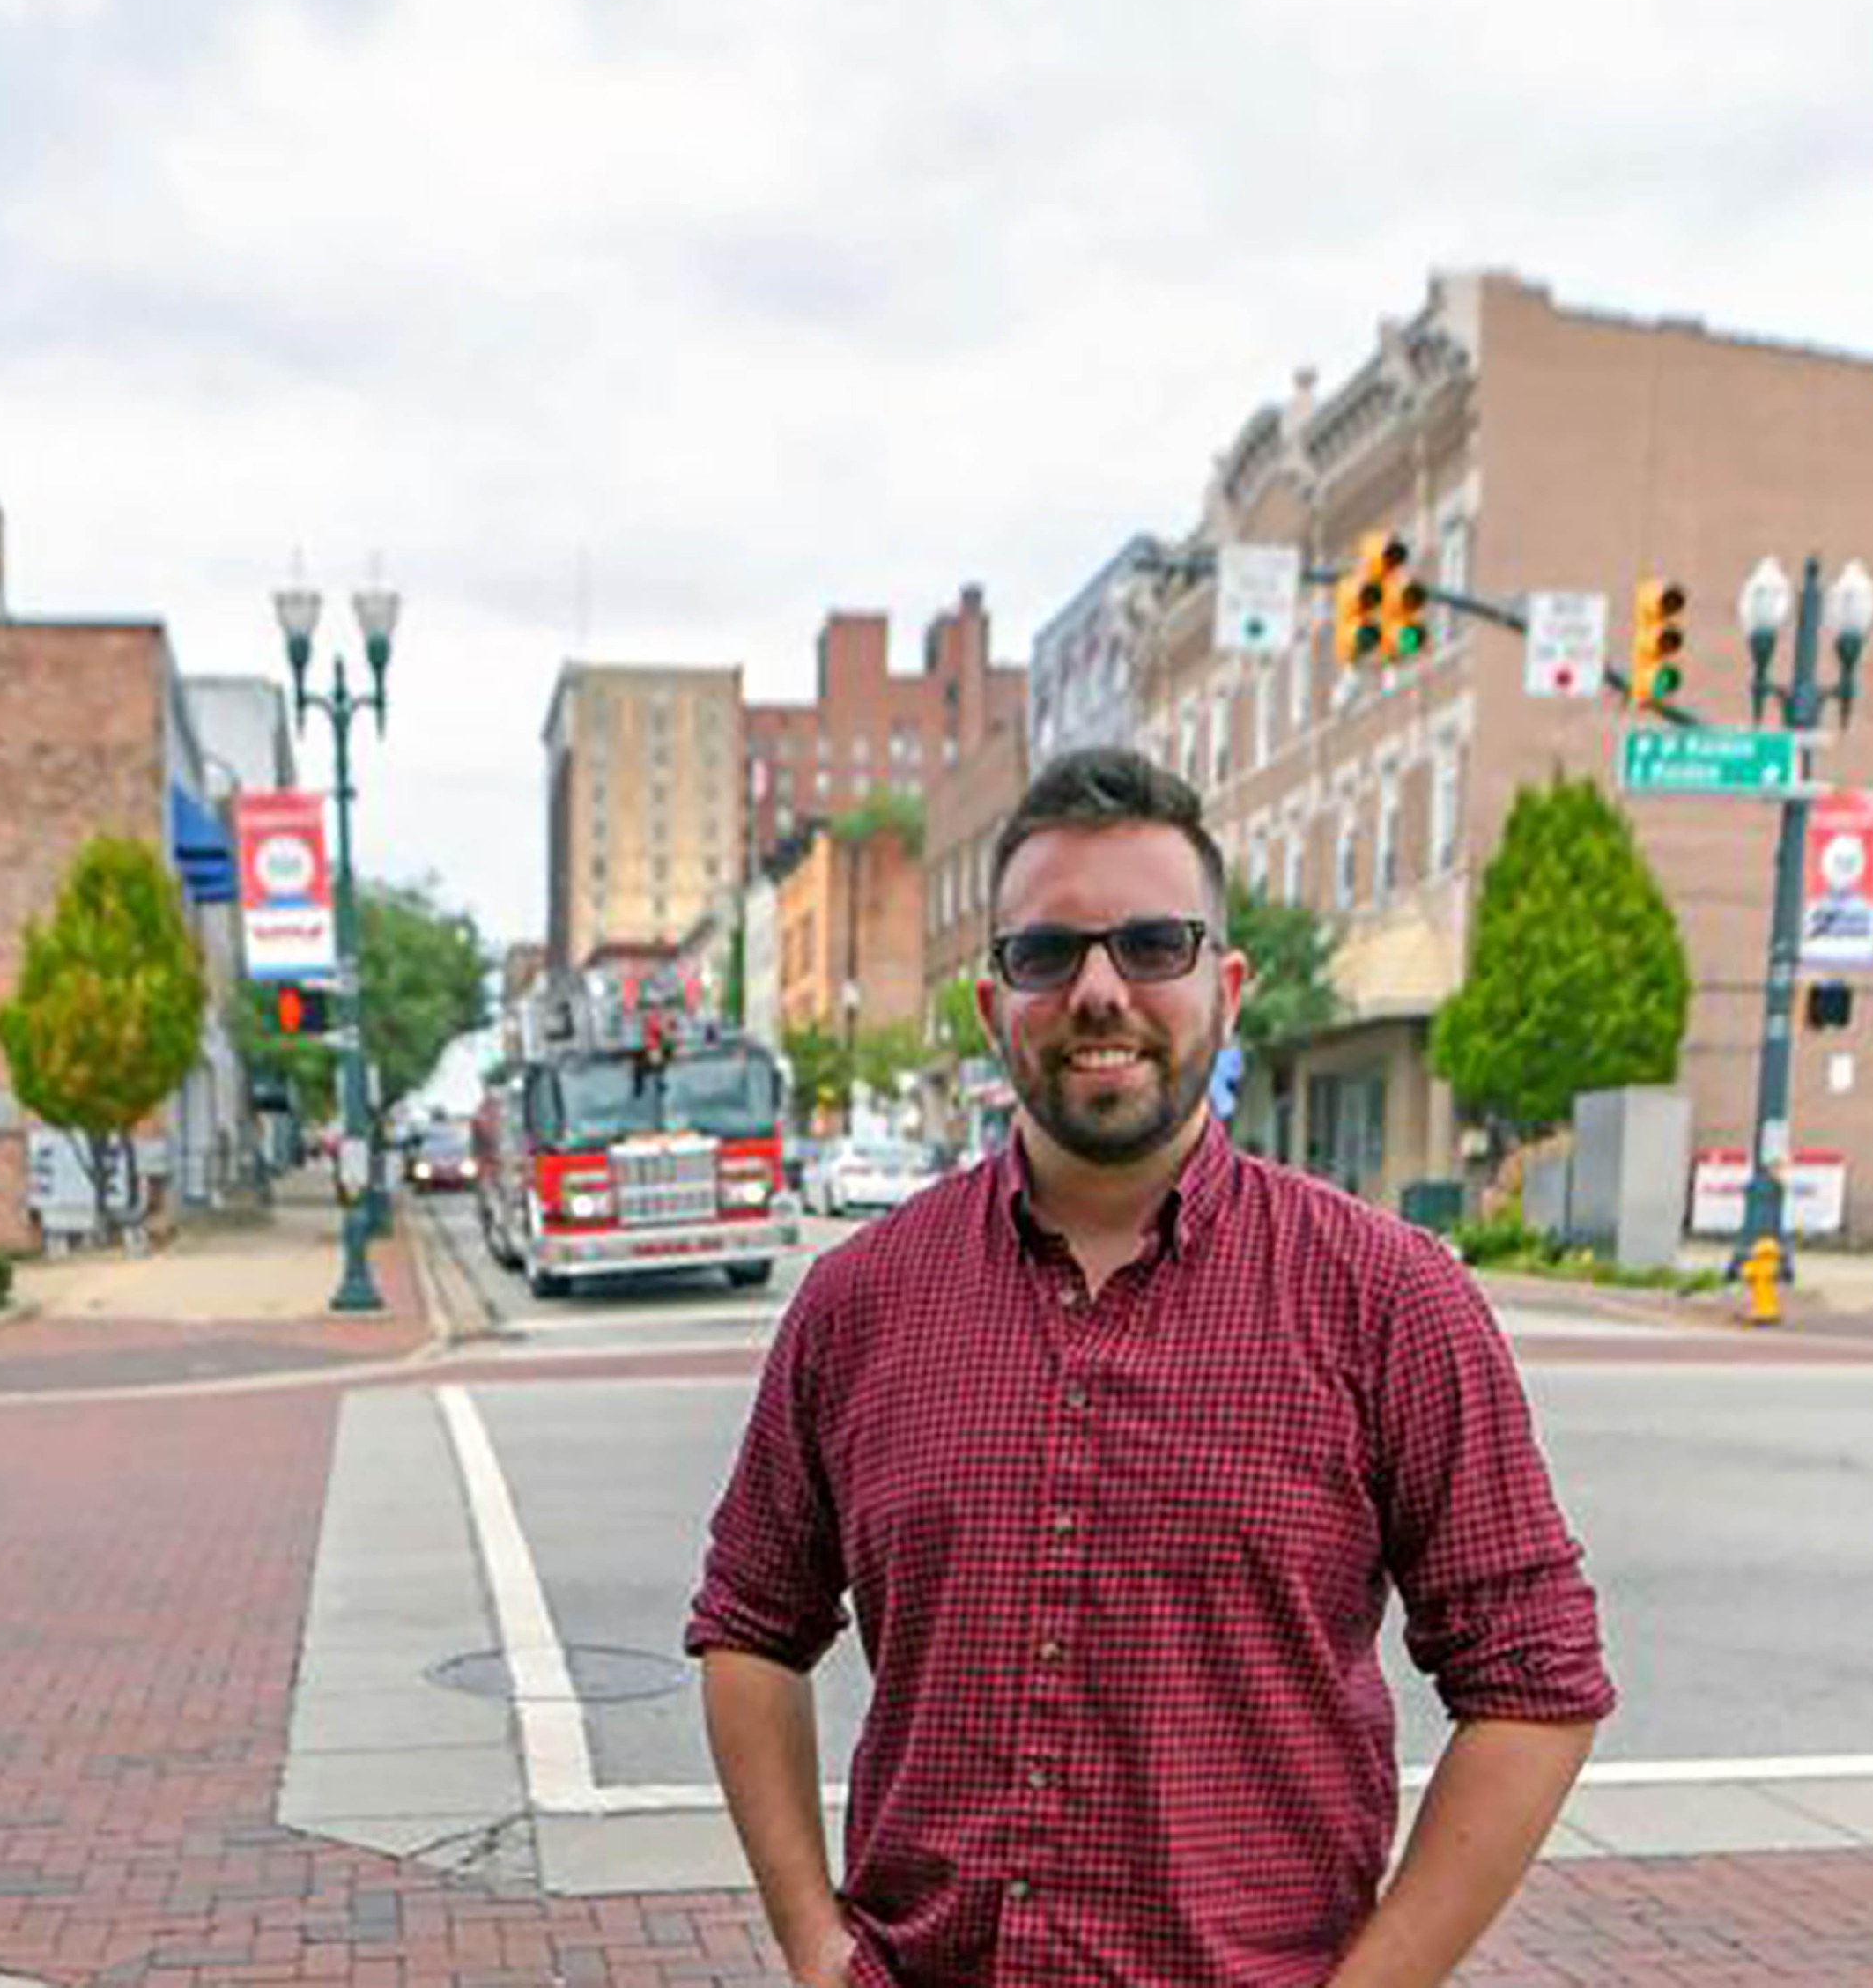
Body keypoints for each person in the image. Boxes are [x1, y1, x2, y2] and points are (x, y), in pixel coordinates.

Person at [686, 746, 1613, 1988]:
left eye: (1153, 945)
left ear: (1224, 989)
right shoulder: (859, 1305)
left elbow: (1537, 1681)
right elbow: (749, 1629)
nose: (1099, 991)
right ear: (990, 1003)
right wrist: (815, 1944)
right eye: (1047, 953)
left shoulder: (1389, 1301)